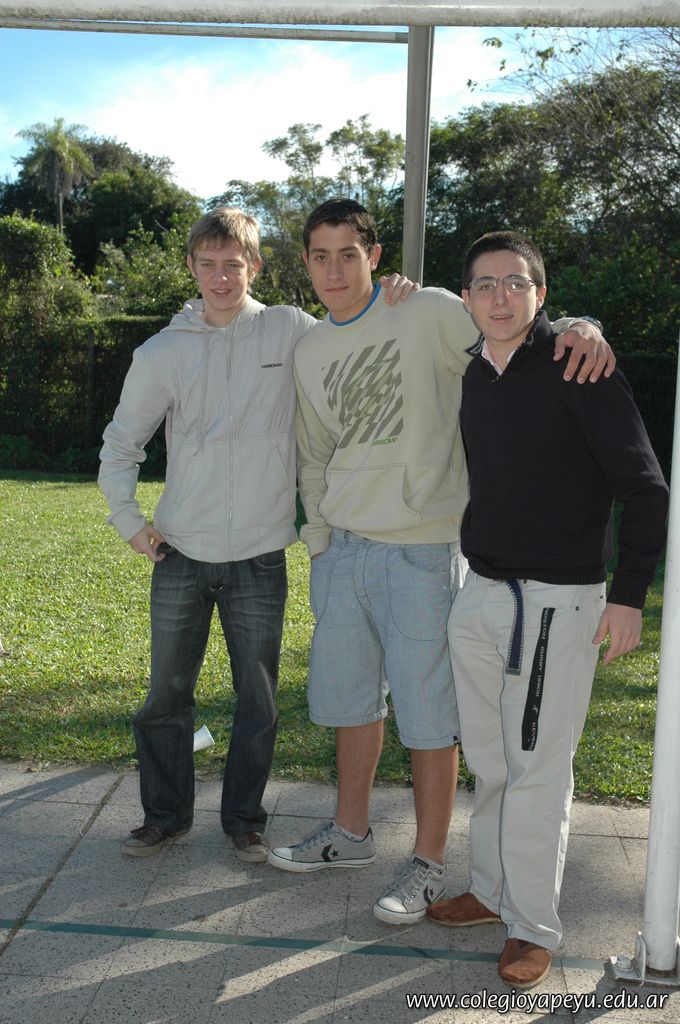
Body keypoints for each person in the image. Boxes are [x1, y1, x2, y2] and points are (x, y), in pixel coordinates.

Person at [267, 199, 615, 925]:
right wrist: (321, 540)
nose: (335, 270)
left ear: (374, 257)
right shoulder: (310, 349)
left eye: (348, 254)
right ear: (306, 263)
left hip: (424, 550)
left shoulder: (425, 310)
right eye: (320, 256)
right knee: (351, 705)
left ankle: (427, 864)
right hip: (343, 553)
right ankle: (351, 834)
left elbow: (514, 330)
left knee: (430, 717)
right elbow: (314, 452)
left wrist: (582, 325)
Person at [98, 207, 414, 862]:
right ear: (192, 268)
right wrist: (129, 520)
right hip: (181, 552)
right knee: (166, 697)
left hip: (261, 556)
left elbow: (356, 339)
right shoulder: (162, 352)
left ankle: (244, 819)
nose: (221, 277)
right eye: (208, 265)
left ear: (256, 267)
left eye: (233, 265)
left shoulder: (289, 330)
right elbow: (121, 443)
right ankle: (164, 818)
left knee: (259, 699)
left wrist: (396, 297)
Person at [425, 231, 668, 987]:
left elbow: (646, 488)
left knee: (537, 770)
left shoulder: (579, 365)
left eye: (515, 283)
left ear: (541, 294)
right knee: (492, 761)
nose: (499, 297)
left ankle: (532, 927)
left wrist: (627, 597)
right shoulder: (476, 373)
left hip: (558, 603)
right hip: (481, 594)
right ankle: (492, 891)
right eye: (485, 284)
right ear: (467, 298)